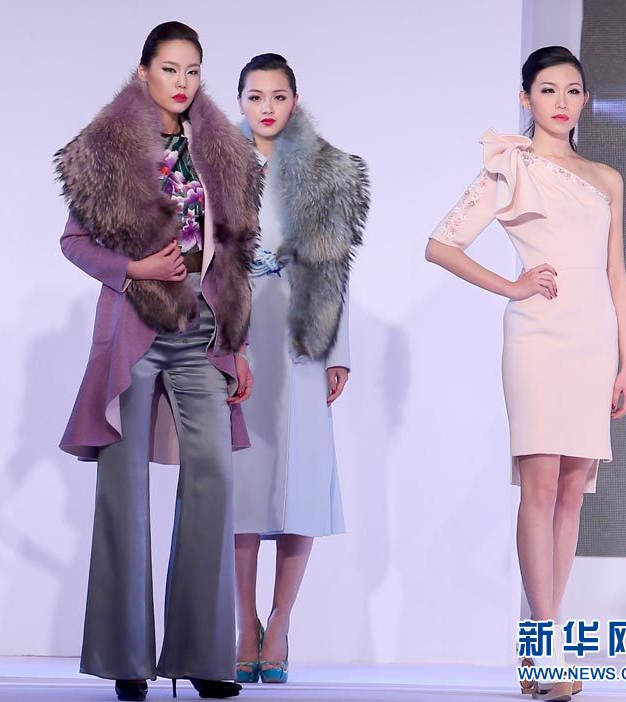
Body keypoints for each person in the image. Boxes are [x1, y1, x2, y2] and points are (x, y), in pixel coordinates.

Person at [54, 22, 261, 702]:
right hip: (135, 328)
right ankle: (127, 660)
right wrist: (134, 268)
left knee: (213, 477)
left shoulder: (220, 149)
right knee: (124, 487)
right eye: (170, 69)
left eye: (192, 70)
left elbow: (236, 253)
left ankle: (202, 656)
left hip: (202, 327)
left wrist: (238, 342)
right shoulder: (105, 147)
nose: (182, 82)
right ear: (144, 71)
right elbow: (74, 242)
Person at [425, 46, 626, 701]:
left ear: (585, 99)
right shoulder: (511, 164)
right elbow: (441, 245)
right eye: (548, 90)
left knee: (572, 493)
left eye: (573, 90)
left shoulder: (606, 178)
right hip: (539, 337)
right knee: (540, 490)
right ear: (526, 98)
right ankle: (546, 649)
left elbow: (616, 274)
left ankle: (540, 650)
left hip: (594, 340)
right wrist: (512, 286)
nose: (562, 102)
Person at [229, 54, 369, 685]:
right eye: (255, 96)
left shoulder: (323, 171)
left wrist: (338, 351)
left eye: (278, 96)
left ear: (294, 100)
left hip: (304, 332)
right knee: (243, 485)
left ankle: (280, 625)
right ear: (239, 101)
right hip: (238, 329)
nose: (267, 107)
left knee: (302, 485)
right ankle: (244, 625)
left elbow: (336, 263)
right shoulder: (216, 167)